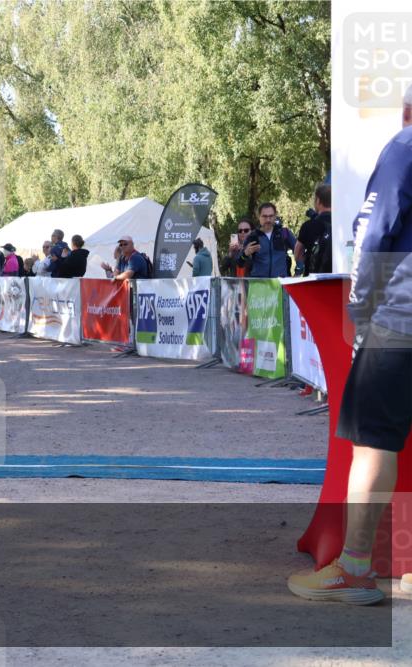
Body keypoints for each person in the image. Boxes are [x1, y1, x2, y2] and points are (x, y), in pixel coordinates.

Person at [287, 85, 412, 606]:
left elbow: (373, 231)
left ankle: (356, 569)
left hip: (400, 319)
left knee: (372, 442)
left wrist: (359, 310)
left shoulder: (405, 146)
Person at [238, 203, 297, 278]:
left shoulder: (284, 232)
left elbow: (299, 251)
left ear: (275, 216)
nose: (268, 219)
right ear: (259, 217)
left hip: (280, 284)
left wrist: (298, 271)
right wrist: (245, 254)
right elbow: (239, 263)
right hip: (259, 285)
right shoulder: (253, 236)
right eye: (264, 216)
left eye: (271, 216)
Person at [295, 184, 333, 276]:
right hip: (337, 278)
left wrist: (310, 258)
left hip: (313, 278)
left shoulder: (308, 226)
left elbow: (297, 254)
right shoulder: (340, 224)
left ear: (318, 201)